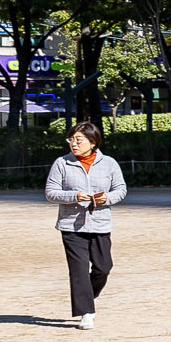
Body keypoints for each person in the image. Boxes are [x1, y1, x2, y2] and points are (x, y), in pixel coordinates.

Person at [46, 121, 125, 329]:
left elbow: (121, 190)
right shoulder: (61, 163)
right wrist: (74, 196)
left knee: (103, 267)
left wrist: (105, 198)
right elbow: (50, 192)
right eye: (70, 139)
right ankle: (86, 312)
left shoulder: (109, 163)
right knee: (79, 270)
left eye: (78, 140)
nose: (73, 143)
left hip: (100, 223)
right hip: (71, 226)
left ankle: (87, 296)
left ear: (92, 142)